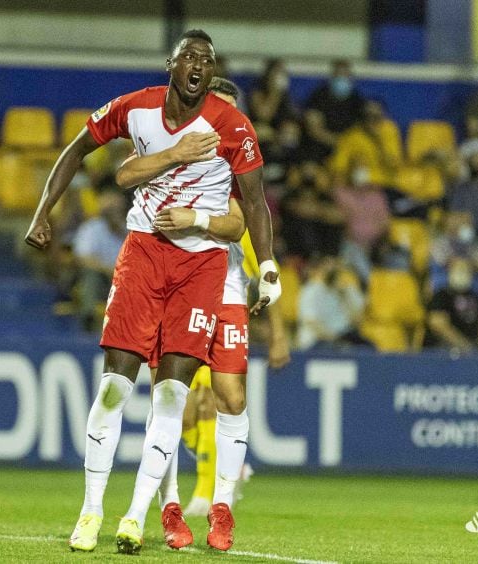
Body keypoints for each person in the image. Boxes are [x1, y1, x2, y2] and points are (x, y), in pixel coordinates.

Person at [24, 30, 281, 555]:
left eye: (207, 60)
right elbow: (80, 149)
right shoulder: (136, 108)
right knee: (114, 388)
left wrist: (269, 265)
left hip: (203, 268)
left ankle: (137, 514)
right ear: (172, 63)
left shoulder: (233, 125)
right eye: (189, 57)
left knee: (171, 394)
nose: (198, 66)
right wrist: (43, 211)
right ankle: (90, 510)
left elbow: (253, 204)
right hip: (143, 253)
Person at [116, 78, 291, 547]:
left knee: (231, 396)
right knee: (171, 401)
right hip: (171, 284)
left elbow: (240, 229)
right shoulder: (169, 151)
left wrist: (196, 220)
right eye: (218, 110)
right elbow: (127, 175)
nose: (225, 123)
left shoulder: (236, 169)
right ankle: (170, 507)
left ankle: (222, 507)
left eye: (233, 114)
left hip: (225, 286)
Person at [71, 189, 127, 331]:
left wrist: (121, 232)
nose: (115, 211)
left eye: (117, 208)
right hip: (103, 278)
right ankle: (88, 319)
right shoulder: (91, 227)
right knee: (90, 276)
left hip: (125, 278)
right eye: (111, 209)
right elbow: (83, 258)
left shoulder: (131, 229)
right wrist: (108, 269)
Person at [334, 160, 391, 284]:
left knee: (394, 259)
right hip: (352, 244)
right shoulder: (342, 193)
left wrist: (376, 243)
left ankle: (375, 285)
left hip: (375, 244)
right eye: (356, 170)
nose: (360, 174)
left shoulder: (377, 195)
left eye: (363, 170)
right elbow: (339, 218)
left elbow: (385, 224)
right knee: (353, 255)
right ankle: (371, 285)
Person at [302, 58, 365, 163]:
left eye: (345, 76)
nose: (342, 79)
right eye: (338, 75)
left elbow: (360, 128)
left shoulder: (356, 100)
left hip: (348, 149)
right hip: (319, 147)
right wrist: (338, 142)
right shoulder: (319, 96)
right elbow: (313, 129)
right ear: (332, 77)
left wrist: (347, 144)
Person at [296, 257, 367, 350]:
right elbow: (312, 323)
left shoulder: (348, 290)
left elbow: (357, 321)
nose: (331, 269)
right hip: (317, 340)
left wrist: (344, 297)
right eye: (327, 266)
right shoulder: (311, 291)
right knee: (344, 350)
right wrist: (336, 340)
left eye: (335, 266)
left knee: (368, 349)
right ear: (320, 269)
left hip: (345, 336)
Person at [329, 100, 402, 188]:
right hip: (360, 183)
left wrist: (378, 140)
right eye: (368, 116)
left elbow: (394, 164)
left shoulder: (389, 129)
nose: (372, 120)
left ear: (383, 116)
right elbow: (338, 167)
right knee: (358, 172)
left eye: (376, 117)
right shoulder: (351, 136)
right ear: (362, 117)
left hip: (387, 180)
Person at [425, 257, 478, 352]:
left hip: (471, 348)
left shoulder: (476, 297)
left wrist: (477, 348)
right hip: (442, 349)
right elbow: (437, 324)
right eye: (458, 269)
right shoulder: (442, 295)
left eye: (465, 270)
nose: (461, 273)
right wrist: (464, 345)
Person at [429, 210, 478, 293]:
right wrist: (464, 263)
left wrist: (474, 264)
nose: (469, 229)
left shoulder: (474, 244)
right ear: (454, 228)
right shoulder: (439, 243)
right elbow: (446, 261)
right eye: (466, 226)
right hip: (444, 286)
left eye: (470, 226)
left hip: (470, 287)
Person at [246, 58, 297, 142]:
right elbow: (263, 116)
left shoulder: (284, 93)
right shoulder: (257, 90)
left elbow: (289, 114)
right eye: (276, 73)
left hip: (278, 128)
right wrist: (275, 92)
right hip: (259, 126)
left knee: (290, 131)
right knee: (262, 131)